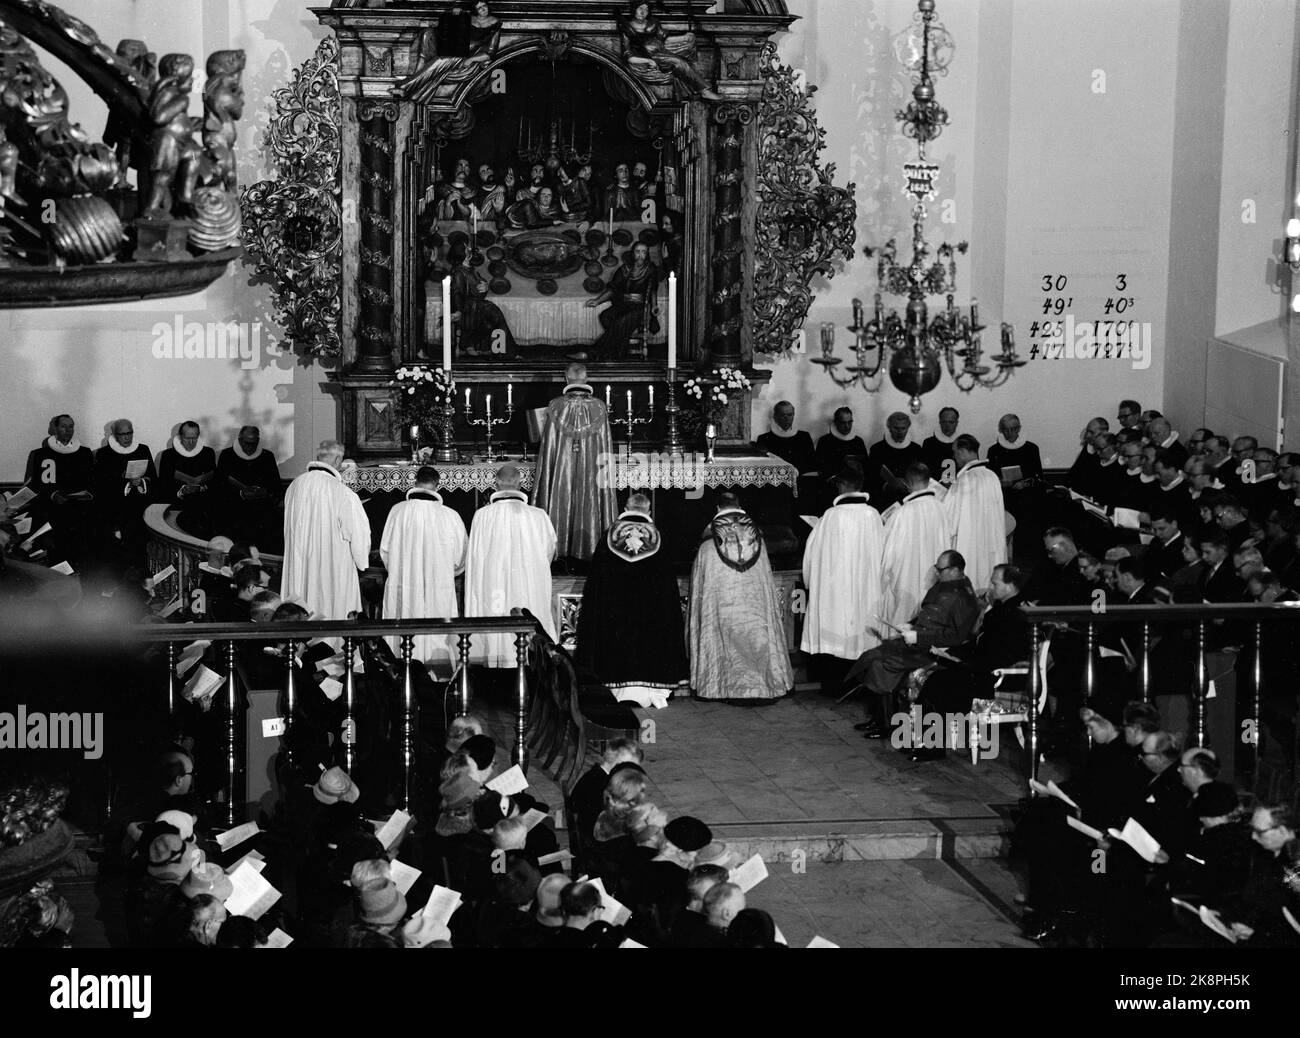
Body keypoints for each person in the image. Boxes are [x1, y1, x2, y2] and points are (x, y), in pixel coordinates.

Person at [843, 549, 980, 739]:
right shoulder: (943, 585)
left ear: (957, 570)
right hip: (915, 641)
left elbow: (955, 636)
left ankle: (886, 724)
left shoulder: (965, 597)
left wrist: (918, 637)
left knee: (881, 665)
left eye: (941, 569)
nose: (937, 573)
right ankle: (878, 717)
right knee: (870, 655)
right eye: (936, 568)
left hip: (932, 650)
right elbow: (926, 613)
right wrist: (910, 625)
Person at [576, 493, 687, 705]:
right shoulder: (658, 537)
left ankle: (617, 691)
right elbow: (667, 588)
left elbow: (596, 584)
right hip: (649, 615)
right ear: (648, 511)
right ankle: (651, 693)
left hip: (615, 614)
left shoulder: (609, 535)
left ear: (625, 507)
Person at [688, 492, 793, 702]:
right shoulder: (758, 541)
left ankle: (718, 686)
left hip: (723, 611)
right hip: (754, 614)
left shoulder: (709, 544)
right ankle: (764, 684)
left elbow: (700, 590)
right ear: (739, 506)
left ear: (718, 509)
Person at [464, 463, 557, 666]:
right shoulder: (539, 515)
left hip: (493, 586)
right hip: (528, 584)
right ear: (519, 484)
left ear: (496, 483)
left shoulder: (482, 515)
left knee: (496, 614)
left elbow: (474, 557)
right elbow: (548, 552)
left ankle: (496, 663)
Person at [380, 465, 468, 667]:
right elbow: (461, 557)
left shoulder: (397, 511)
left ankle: (401, 668)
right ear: (437, 486)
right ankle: (437, 670)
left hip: (405, 585)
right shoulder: (450, 515)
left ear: (415, 482)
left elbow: (385, 552)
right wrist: (447, 573)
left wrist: (401, 572)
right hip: (438, 586)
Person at [800, 468, 884, 670]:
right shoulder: (873, 515)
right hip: (865, 588)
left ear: (843, 486)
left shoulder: (831, 516)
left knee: (836, 625)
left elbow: (812, 555)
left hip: (836, 589)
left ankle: (834, 680)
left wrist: (811, 582)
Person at [532, 363, 618, 561]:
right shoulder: (599, 406)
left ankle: (556, 550)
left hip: (561, 473)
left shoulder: (555, 406)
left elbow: (548, 450)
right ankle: (591, 549)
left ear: (566, 378)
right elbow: (605, 448)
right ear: (586, 379)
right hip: (591, 472)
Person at [281, 441, 370, 621]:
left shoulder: (294, 486)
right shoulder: (343, 492)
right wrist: (362, 562)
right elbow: (359, 535)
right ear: (338, 460)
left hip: (300, 563)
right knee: (330, 606)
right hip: (332, 565)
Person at [880, 463, 952, 629]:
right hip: (934, 576)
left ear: (908, 483)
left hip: (907, 578)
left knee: (902, 619)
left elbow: (889, 553)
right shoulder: (942, 508)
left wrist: (884, 577)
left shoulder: (901, 513)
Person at [24, 414, 96, 572]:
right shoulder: (41, 454)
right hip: (52, 508)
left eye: (71, 426)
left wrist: (85, 495)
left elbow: (91, 481)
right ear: (54, 429)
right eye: (64, 426)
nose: (68, 430)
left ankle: (79, 572)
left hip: (79, 508)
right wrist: (53, 494)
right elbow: (36, 484)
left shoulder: (84, 453)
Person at [618, 1, 722, 101]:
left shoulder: (653, 23)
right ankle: (704, 91)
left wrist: (683, 38)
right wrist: (647, 61)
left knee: (689, 41)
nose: (643, 12)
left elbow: (662, 40)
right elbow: (628, 55)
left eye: (646, 9)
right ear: (634, 9)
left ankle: (695, 73)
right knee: (679, 62)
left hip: (661, 48)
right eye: (640, 8)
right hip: (650, 55)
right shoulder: (627, 28)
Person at [943, 434, 1007, 593]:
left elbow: (949, 518)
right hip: (990, 541)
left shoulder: (964, 480)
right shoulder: (992, 476)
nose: (954, 457)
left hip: (970, 542)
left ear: (963, 451)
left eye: (955, 452)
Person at [93, 418, 157, 577]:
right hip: (116, 510)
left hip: (139, 507)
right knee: (119, 552)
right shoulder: (104, 453)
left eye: (129, 433)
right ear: (114, 435)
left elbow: (153, 477)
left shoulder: (143, 449)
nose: (127, 438)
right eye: (122, 434)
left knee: (140, 548)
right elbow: (100, 485)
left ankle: (143, 582)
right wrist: (124, 480)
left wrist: (140, 481)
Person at [587, 242, 661, 358]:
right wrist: (597, 301)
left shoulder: (650, 269)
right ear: (633, 253)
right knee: (605, 316)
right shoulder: (625, 269)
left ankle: (595, 352)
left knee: (620, 321)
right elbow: (613, 290)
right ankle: (619, 349)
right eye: (637, 252)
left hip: (639, 308)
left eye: (644, 252)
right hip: (623, 305)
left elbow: (653, 290)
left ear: (647, 254)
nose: (640, 255)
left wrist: (655, 306)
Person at [215, 426, 282, 547]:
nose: (250, 447)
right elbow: (219, 486)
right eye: (247, 443)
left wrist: (263, 492)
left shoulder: (267, 457)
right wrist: (241, 494)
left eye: (254, 443)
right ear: (239, 440)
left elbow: (276, 486)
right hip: (235, 513)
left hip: (261, 513)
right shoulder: (227, 456)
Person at [448, 240, 516, 355]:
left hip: (478, 305)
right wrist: (459, 311)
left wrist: (485, 287)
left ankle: (502, 350)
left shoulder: (470, 269)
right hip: (468, 308)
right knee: (494, 314)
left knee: (495, 314)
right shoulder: (458, 272)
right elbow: (457, 293)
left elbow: (478, 287)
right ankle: (472, 343)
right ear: (462, 254)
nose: (469, 249)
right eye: (466, 249)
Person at [157, 420, 217, 538]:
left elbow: (214, 481)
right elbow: (164, 484)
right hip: (178, 505)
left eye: (194, 438)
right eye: (187, 438)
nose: (191, 442)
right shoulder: (168, 456)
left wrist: (201, 487)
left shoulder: (208, 453)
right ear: (180, 437)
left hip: (202, 504)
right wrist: (182, 490)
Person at [866, 412, 924, 506]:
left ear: (907, 428)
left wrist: (907, 484)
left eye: (903, 428)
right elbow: (871, 477)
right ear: (889, 428)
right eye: (896, 428)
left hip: (909, 501)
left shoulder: (916, 449)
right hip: (884, 500)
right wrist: (886, 486)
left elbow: (921, 477)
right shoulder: (877, 449)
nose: (900, 432)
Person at [756, 401, 816, 475]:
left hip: (801, 480)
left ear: (793, 416)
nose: (786, 418)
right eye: (782, 415)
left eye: (789, 415)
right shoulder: (764, 439)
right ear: (775, 416)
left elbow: (812, 463)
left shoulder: (804, 437)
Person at [814, 408, 867, 489]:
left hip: (855, 485)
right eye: (843, 423)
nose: (847, 426)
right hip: (833, 485)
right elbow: (820, 467)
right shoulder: (825, 441)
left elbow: (866, 466)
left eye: (850, 422)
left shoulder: (858, 441)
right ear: (836, 423)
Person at [987, 414, 1043, 487]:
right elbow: (990, 477)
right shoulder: (993, 451)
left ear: (1019, 428)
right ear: (1001, 430)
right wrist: (1000, 482)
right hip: (1004, 493)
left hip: (1027, 492)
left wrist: (1025, 483)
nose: (1009, 433)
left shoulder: (1031, 449)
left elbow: (1039, 476)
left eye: (1013, 429)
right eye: (1006, 429)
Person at [920, 407, 960, 484]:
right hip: (935, 487)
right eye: (944, 422)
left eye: (951, 422)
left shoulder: (965, 443)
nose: (947, 426)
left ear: (956, 423)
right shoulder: (929, 443)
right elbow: (924, 471)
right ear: (940, 422)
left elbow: (970, 470)